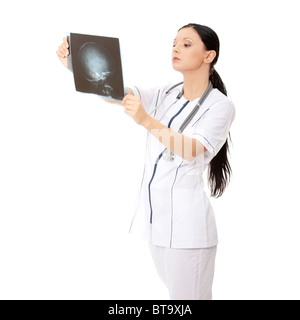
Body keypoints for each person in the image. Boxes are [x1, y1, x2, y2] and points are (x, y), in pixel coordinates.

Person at [56, 23, 235, 300]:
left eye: (186, 44)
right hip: (157, 225)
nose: (176, 48)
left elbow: (193, 150)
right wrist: (75, 65)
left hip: (188, 233)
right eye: (174, 43)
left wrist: (145, 120)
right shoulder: (168, 92)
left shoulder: (220, 105)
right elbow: (118, 93)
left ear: (209, 56)